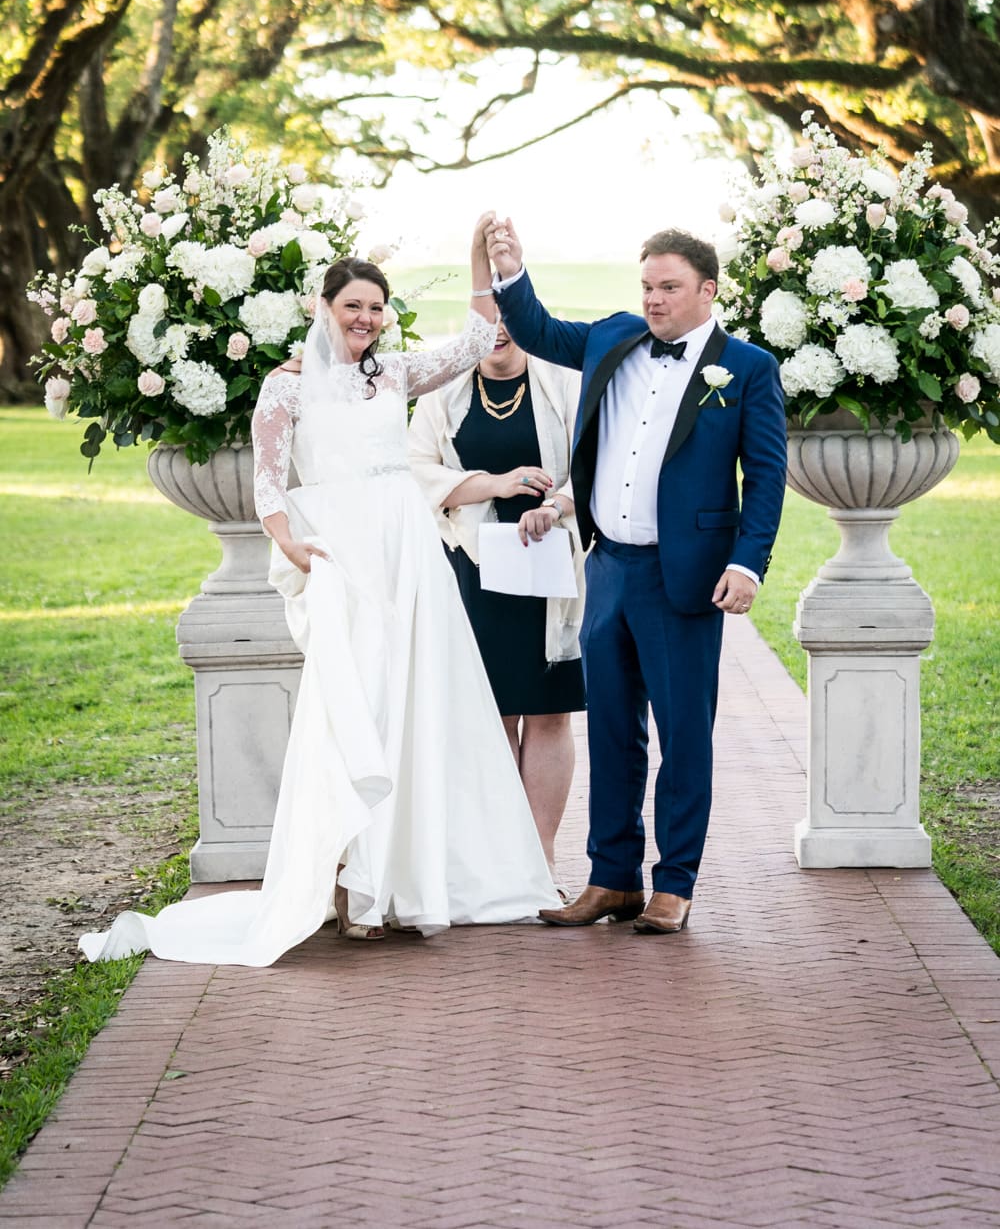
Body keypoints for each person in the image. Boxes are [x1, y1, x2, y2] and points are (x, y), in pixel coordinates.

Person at [79, 223, 558, 966]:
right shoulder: (286, 385)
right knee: (354, 709)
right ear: (325, 305)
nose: (365, 319)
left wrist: (476, 257)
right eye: (353, 306)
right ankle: (350, 887)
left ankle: (401, 885)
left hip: (407, 550)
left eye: (376, 307)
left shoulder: (393, 374)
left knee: (411, 706)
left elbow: (475, 337)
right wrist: (288, 540)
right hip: (342, 552)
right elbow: (270, 480)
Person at [484, 217, 787, 935]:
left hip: (684, 578)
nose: (654, 300)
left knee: (685, 735)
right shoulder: (613, 338)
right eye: (648, 286)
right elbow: (537, 330)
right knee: (614, 732)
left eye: (670, 288)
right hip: (609, 570)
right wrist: (510, 271)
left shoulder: (745, 368)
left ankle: (673, 884)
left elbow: (768, 474)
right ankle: (611, 879)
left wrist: (748, 562)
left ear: (708, 291)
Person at [408, 316, 586, 892]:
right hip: (475, 569)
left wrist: (556, 504)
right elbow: (414, 471)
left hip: (552, 566)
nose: (500, 332)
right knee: (493, 715)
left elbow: (598, 461)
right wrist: (497, 484)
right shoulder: (444, 391)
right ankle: (498, 862)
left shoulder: (563, 382)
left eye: (511, 320)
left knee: (549, 710)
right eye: (488, 322)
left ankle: (542, 862)